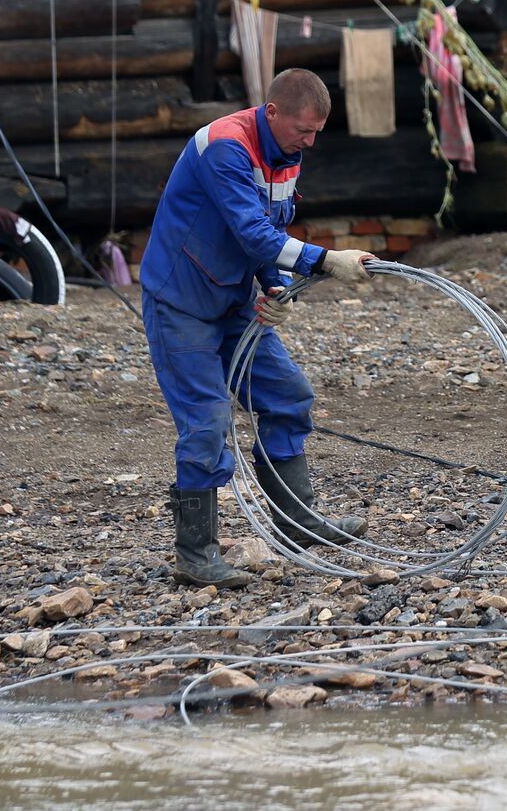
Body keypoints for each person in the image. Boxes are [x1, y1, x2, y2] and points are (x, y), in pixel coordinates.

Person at [141, 68, 374, 588]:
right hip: (180, 301)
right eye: (303, 131)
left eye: (317, 133)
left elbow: (268, 231)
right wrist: (324, 261)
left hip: (232, 297)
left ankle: (298, 520)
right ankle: (196, 554)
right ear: (272, 113)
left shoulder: (286, 153)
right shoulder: (225, 147)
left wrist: (274, 286)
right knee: (207, 418)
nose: (310, 143)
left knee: (288, 394)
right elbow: (250, 228)